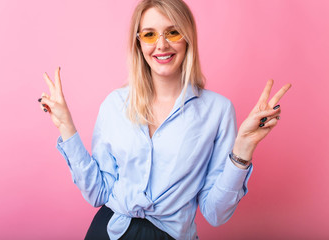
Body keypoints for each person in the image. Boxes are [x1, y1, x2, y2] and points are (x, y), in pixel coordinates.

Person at [38, 0, 291, 239]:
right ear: (138, 43)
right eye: (149, 34)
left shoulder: (218, 110)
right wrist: (66, 127)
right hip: (108, 231)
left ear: (188, 38)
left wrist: (244, 148)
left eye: (172, 32)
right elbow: (98, 193)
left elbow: (216, 213)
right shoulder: (114, 104)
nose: (161, 45)